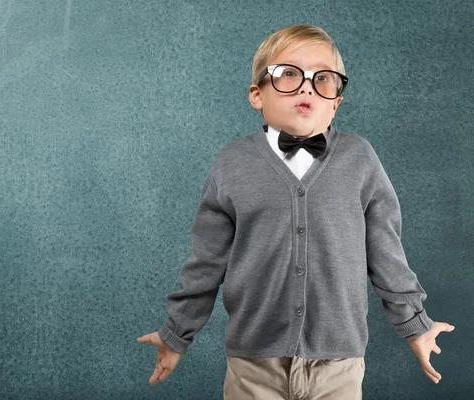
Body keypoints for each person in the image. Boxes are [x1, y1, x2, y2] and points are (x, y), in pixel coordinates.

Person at [137, 23, 455, 399]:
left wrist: (415, 325)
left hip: (339, 363)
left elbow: (386, 253)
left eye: (323, 79)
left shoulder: (360, 159)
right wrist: (176, 334)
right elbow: (207, 261)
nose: (307, 86)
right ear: (257, 94)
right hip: (252, 363)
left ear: (336, 101)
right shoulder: (232, 162)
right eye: (288, 74)